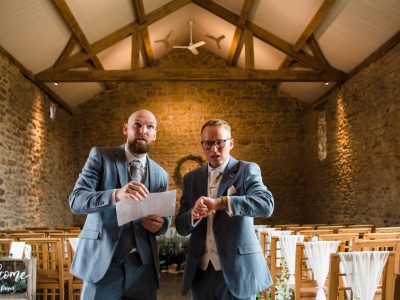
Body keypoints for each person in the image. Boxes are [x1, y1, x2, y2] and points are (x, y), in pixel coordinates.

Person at [69, 109, 171, 300]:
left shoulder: (161, 174)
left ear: (155, 135)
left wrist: (160, 225)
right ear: (126, 129)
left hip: (143, 269)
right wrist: (116, 194)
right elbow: (76, 200)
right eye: (137, 125)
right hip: (103, 264)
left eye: (150, 127)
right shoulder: (100, 157)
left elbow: (164, 220)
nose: (143, 130)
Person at [175, 119, 274, 300]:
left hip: (238, 270)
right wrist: (193, 215)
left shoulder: (246, 170)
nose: (214, 149)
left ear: (231, 143)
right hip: (201, 272)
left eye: (220, 142)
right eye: (208, 144)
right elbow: (181, 226)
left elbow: (266, 205)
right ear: (202, 145)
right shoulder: (191, 179)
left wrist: (222, 202)